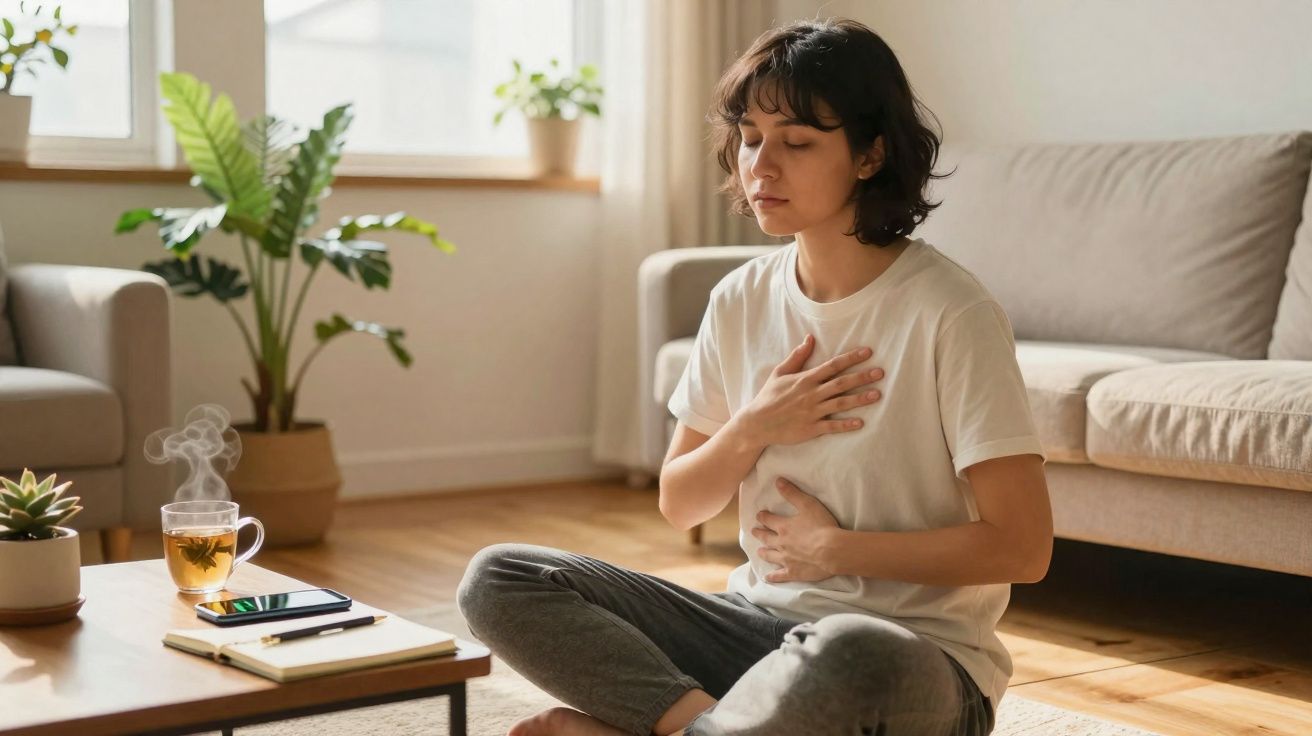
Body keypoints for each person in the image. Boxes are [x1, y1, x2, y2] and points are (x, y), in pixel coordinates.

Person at [458, 17, 1052, 736]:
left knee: (852, 647)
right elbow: (681, 502)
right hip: (753, 632)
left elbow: (1023, 547)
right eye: (749, 138)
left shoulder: (950, 312)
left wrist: (836, 551)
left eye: (797, 142)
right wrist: (753, 429)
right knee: (502, 577)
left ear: (870, 155)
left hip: (913, 668)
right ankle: (706, 727)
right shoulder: (740, 300)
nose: (761, 166)